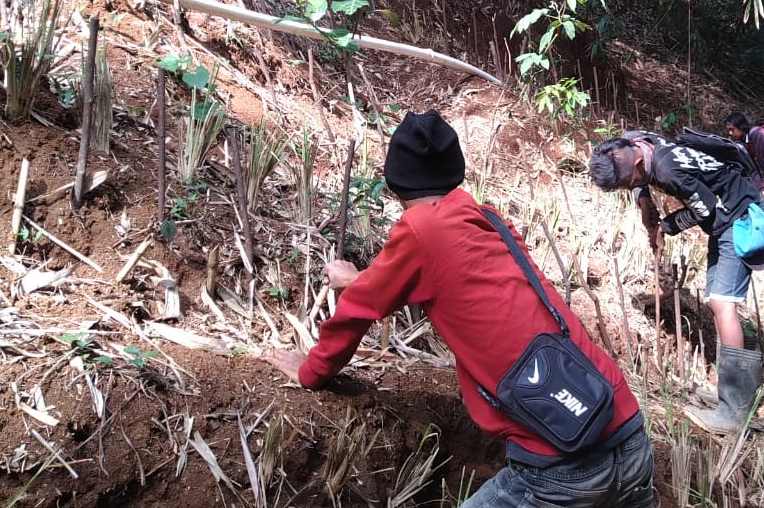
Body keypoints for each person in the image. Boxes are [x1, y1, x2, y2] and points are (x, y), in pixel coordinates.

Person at [266, 110, 653, 508]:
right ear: (456, 173)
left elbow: (357, 312)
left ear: (394, 183)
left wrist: (311, 371)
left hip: (564, 468)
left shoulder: (419, 230)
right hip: (629, 434)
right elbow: (458, 284)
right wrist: (360, 279)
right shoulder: (490, 221)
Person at [588, 132, 764, 433]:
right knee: (717, 299)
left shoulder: (668, 168)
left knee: (723, 304)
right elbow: (641, 181)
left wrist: (665, 227)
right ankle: (732, 395)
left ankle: (735, 411)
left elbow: (706, 208)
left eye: (631, 182)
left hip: (740, 217)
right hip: (726, 214)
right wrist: (644, 201)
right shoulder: (634, 142)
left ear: (637, 163)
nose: (632, 187)